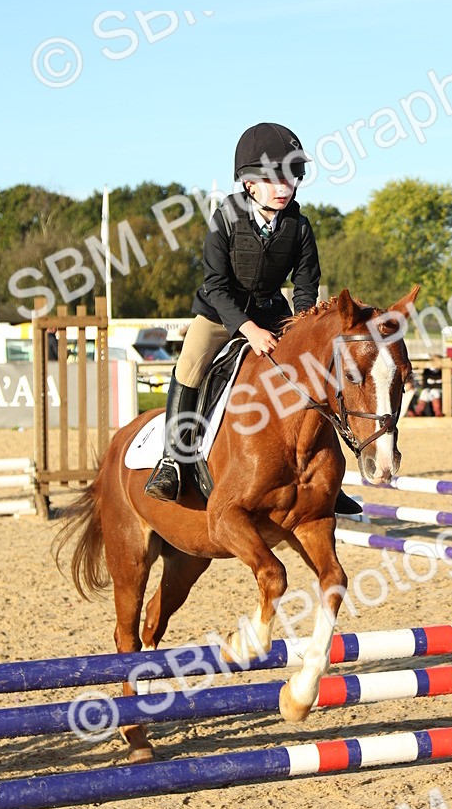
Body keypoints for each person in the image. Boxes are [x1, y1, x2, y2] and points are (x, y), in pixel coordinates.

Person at [145, 121, 360, 515]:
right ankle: (172, 461)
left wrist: (303, 326)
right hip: (219, 312)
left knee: (315, 367)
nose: (284, 187)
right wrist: (248, 330)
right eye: (274, 179)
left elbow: (306, 285)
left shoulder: (299, 226)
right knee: (189, 366)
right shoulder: (226, 219)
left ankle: (327, 474)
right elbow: (215, 285)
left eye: (291, 178)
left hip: (272, 312)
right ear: (249, 184)